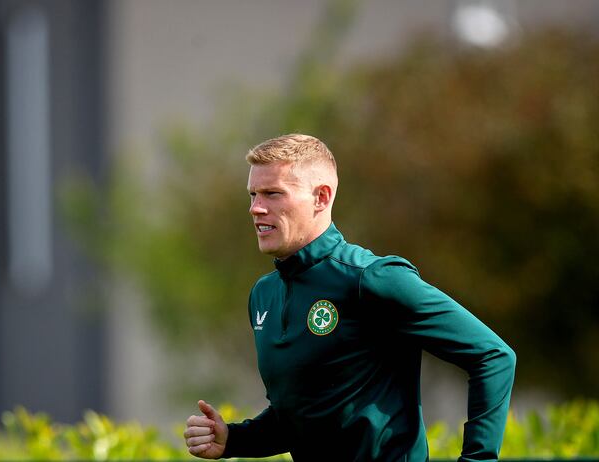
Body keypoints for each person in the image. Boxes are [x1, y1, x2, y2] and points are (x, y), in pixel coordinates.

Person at [183, 134, 516, 461]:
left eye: (273, 193)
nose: (256, 208)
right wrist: (234, 440)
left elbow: (493, 356)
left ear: (321, 197)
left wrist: (478, 460)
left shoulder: (373, 278)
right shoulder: (263, 295)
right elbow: (301, 417)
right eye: (253, 194)